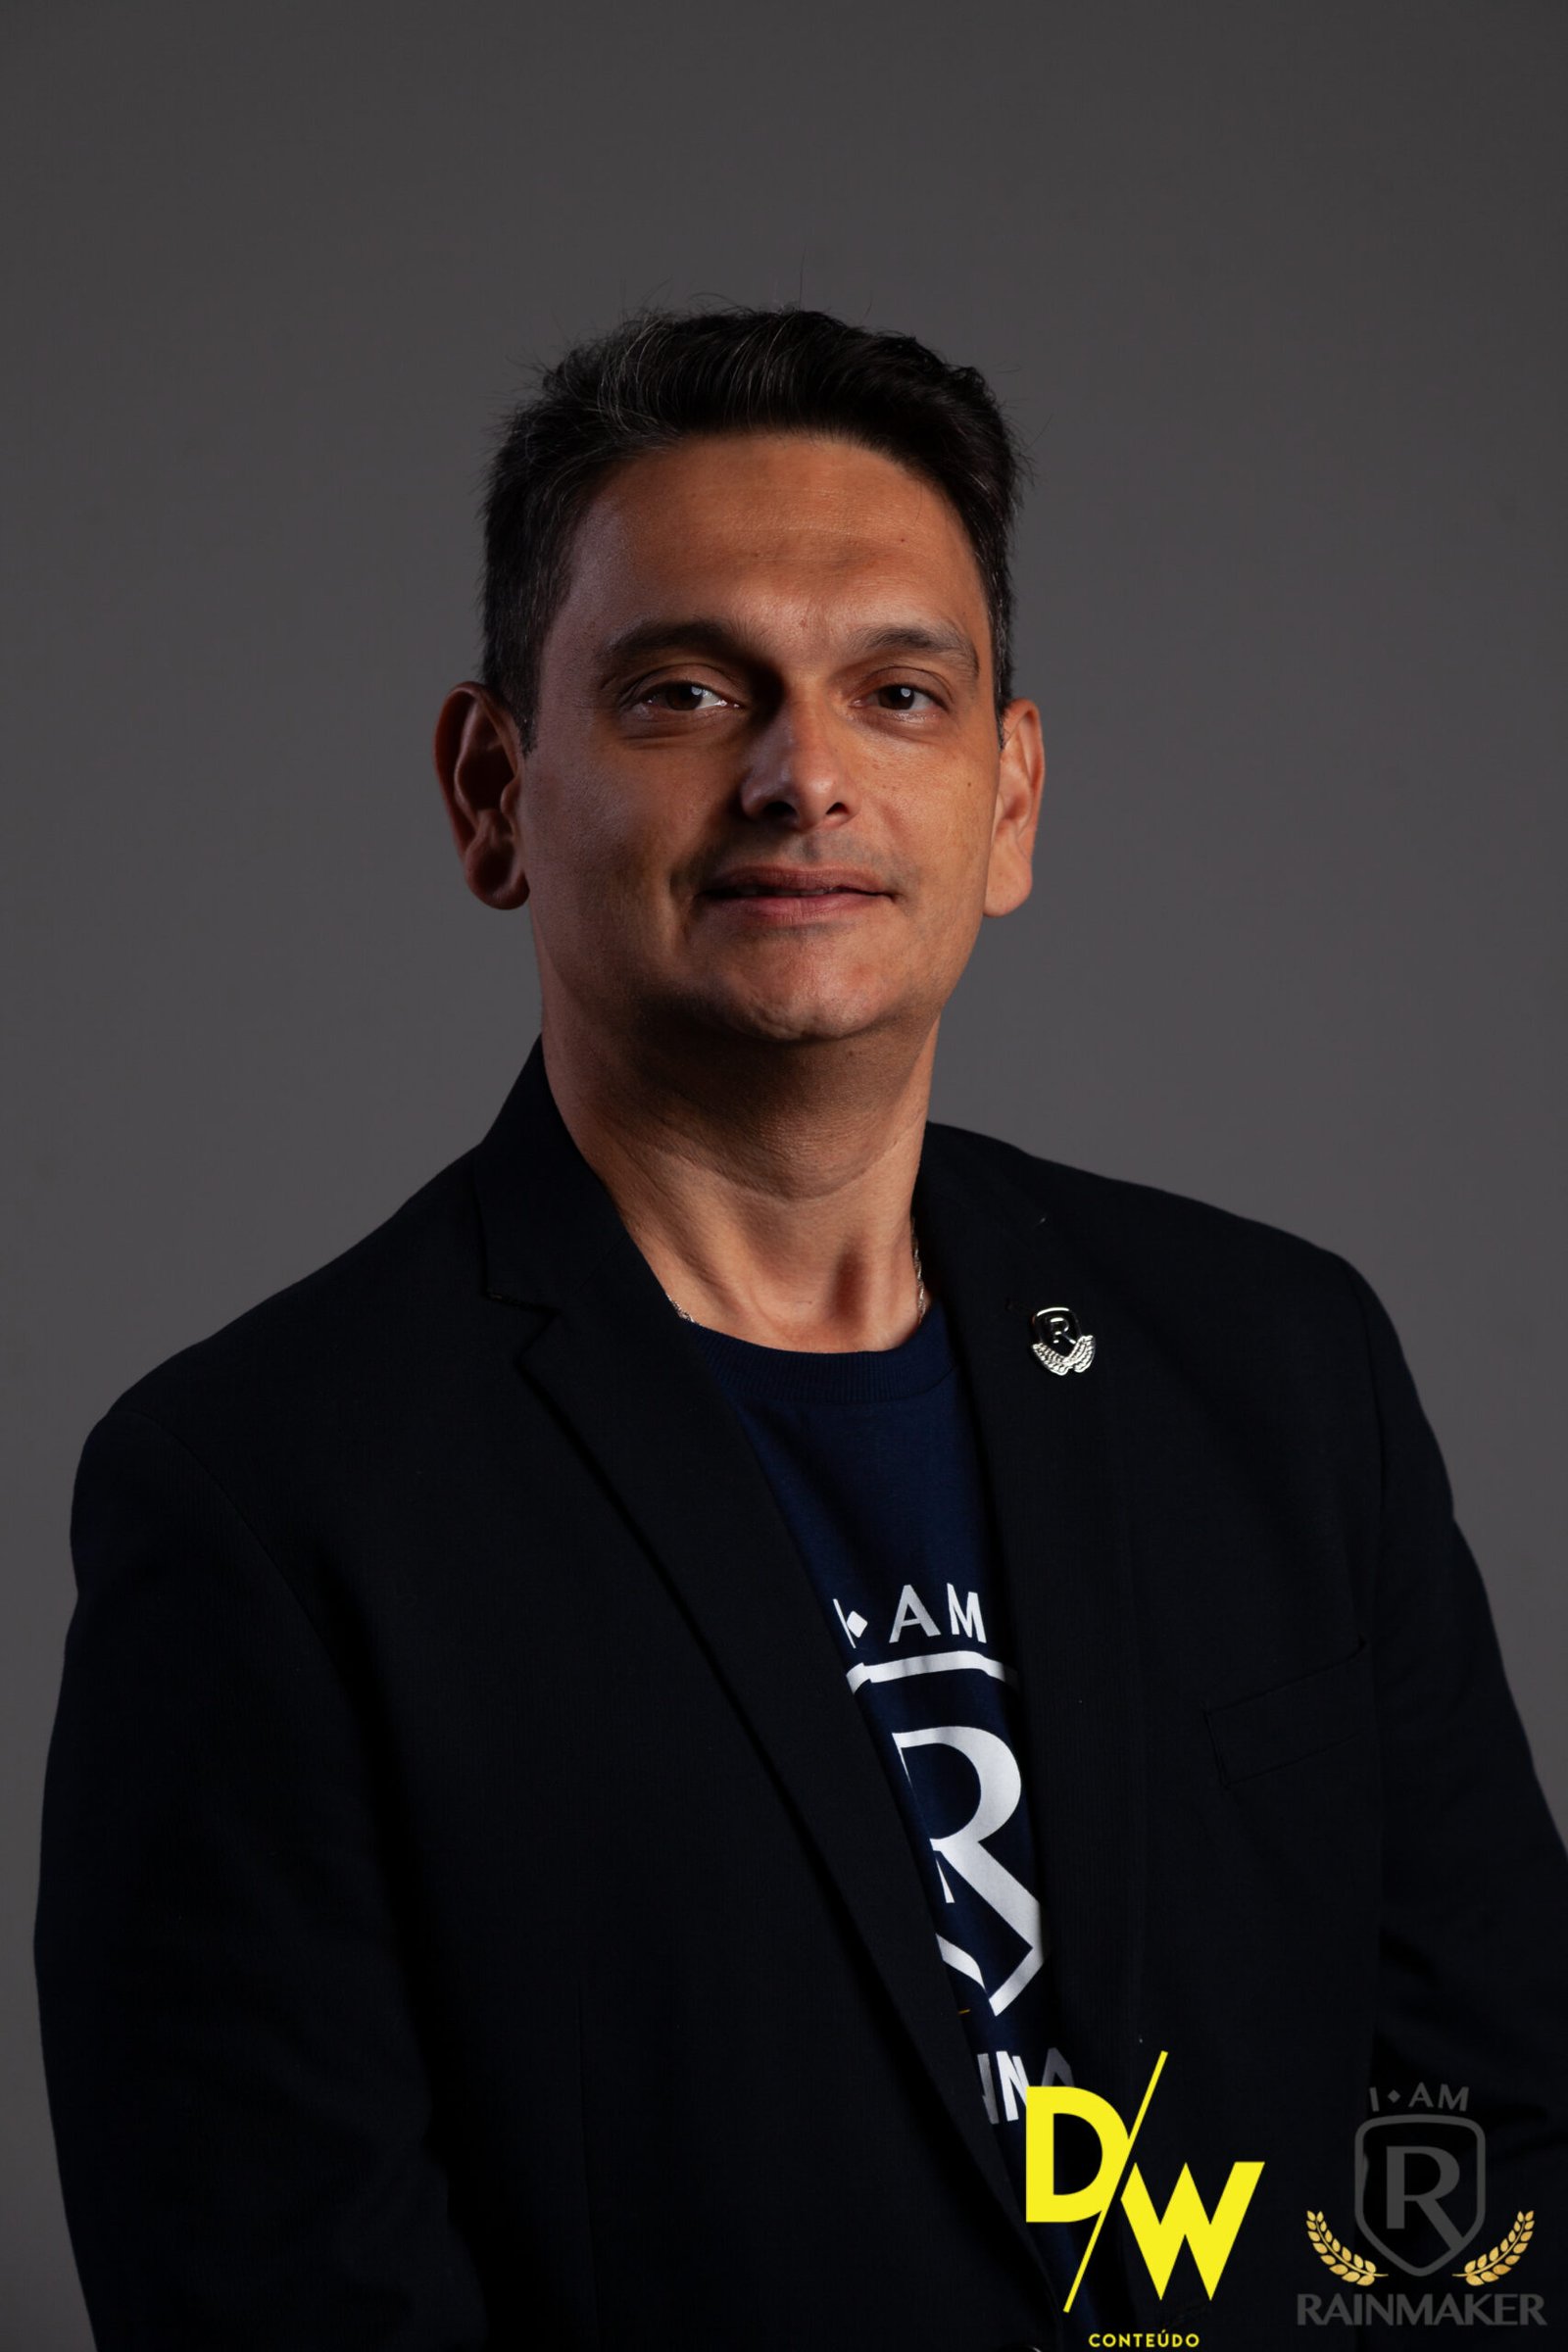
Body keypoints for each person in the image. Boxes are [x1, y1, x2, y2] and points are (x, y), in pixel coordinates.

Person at [34, 305, 1568, 2352]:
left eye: (898, 695)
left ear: (1007, 801)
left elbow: (1490, 2142)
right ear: (492, 791)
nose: (804, 777)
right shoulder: (266, 1497)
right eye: (685, 692)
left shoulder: (1282, 1372)